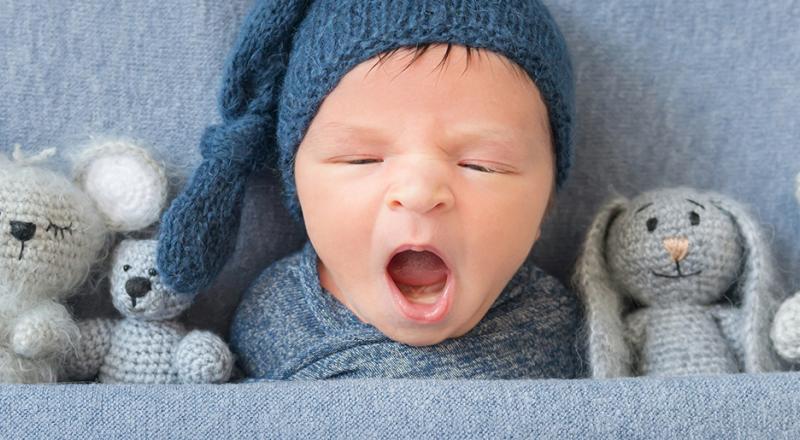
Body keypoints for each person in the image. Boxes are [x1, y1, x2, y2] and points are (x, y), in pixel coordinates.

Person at [158, 0, 584, 380]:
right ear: (299, 190)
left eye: (482, 165)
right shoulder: (276, 318)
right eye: (361, 159)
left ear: (544, 206)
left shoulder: (562, 329)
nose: (419, 192)